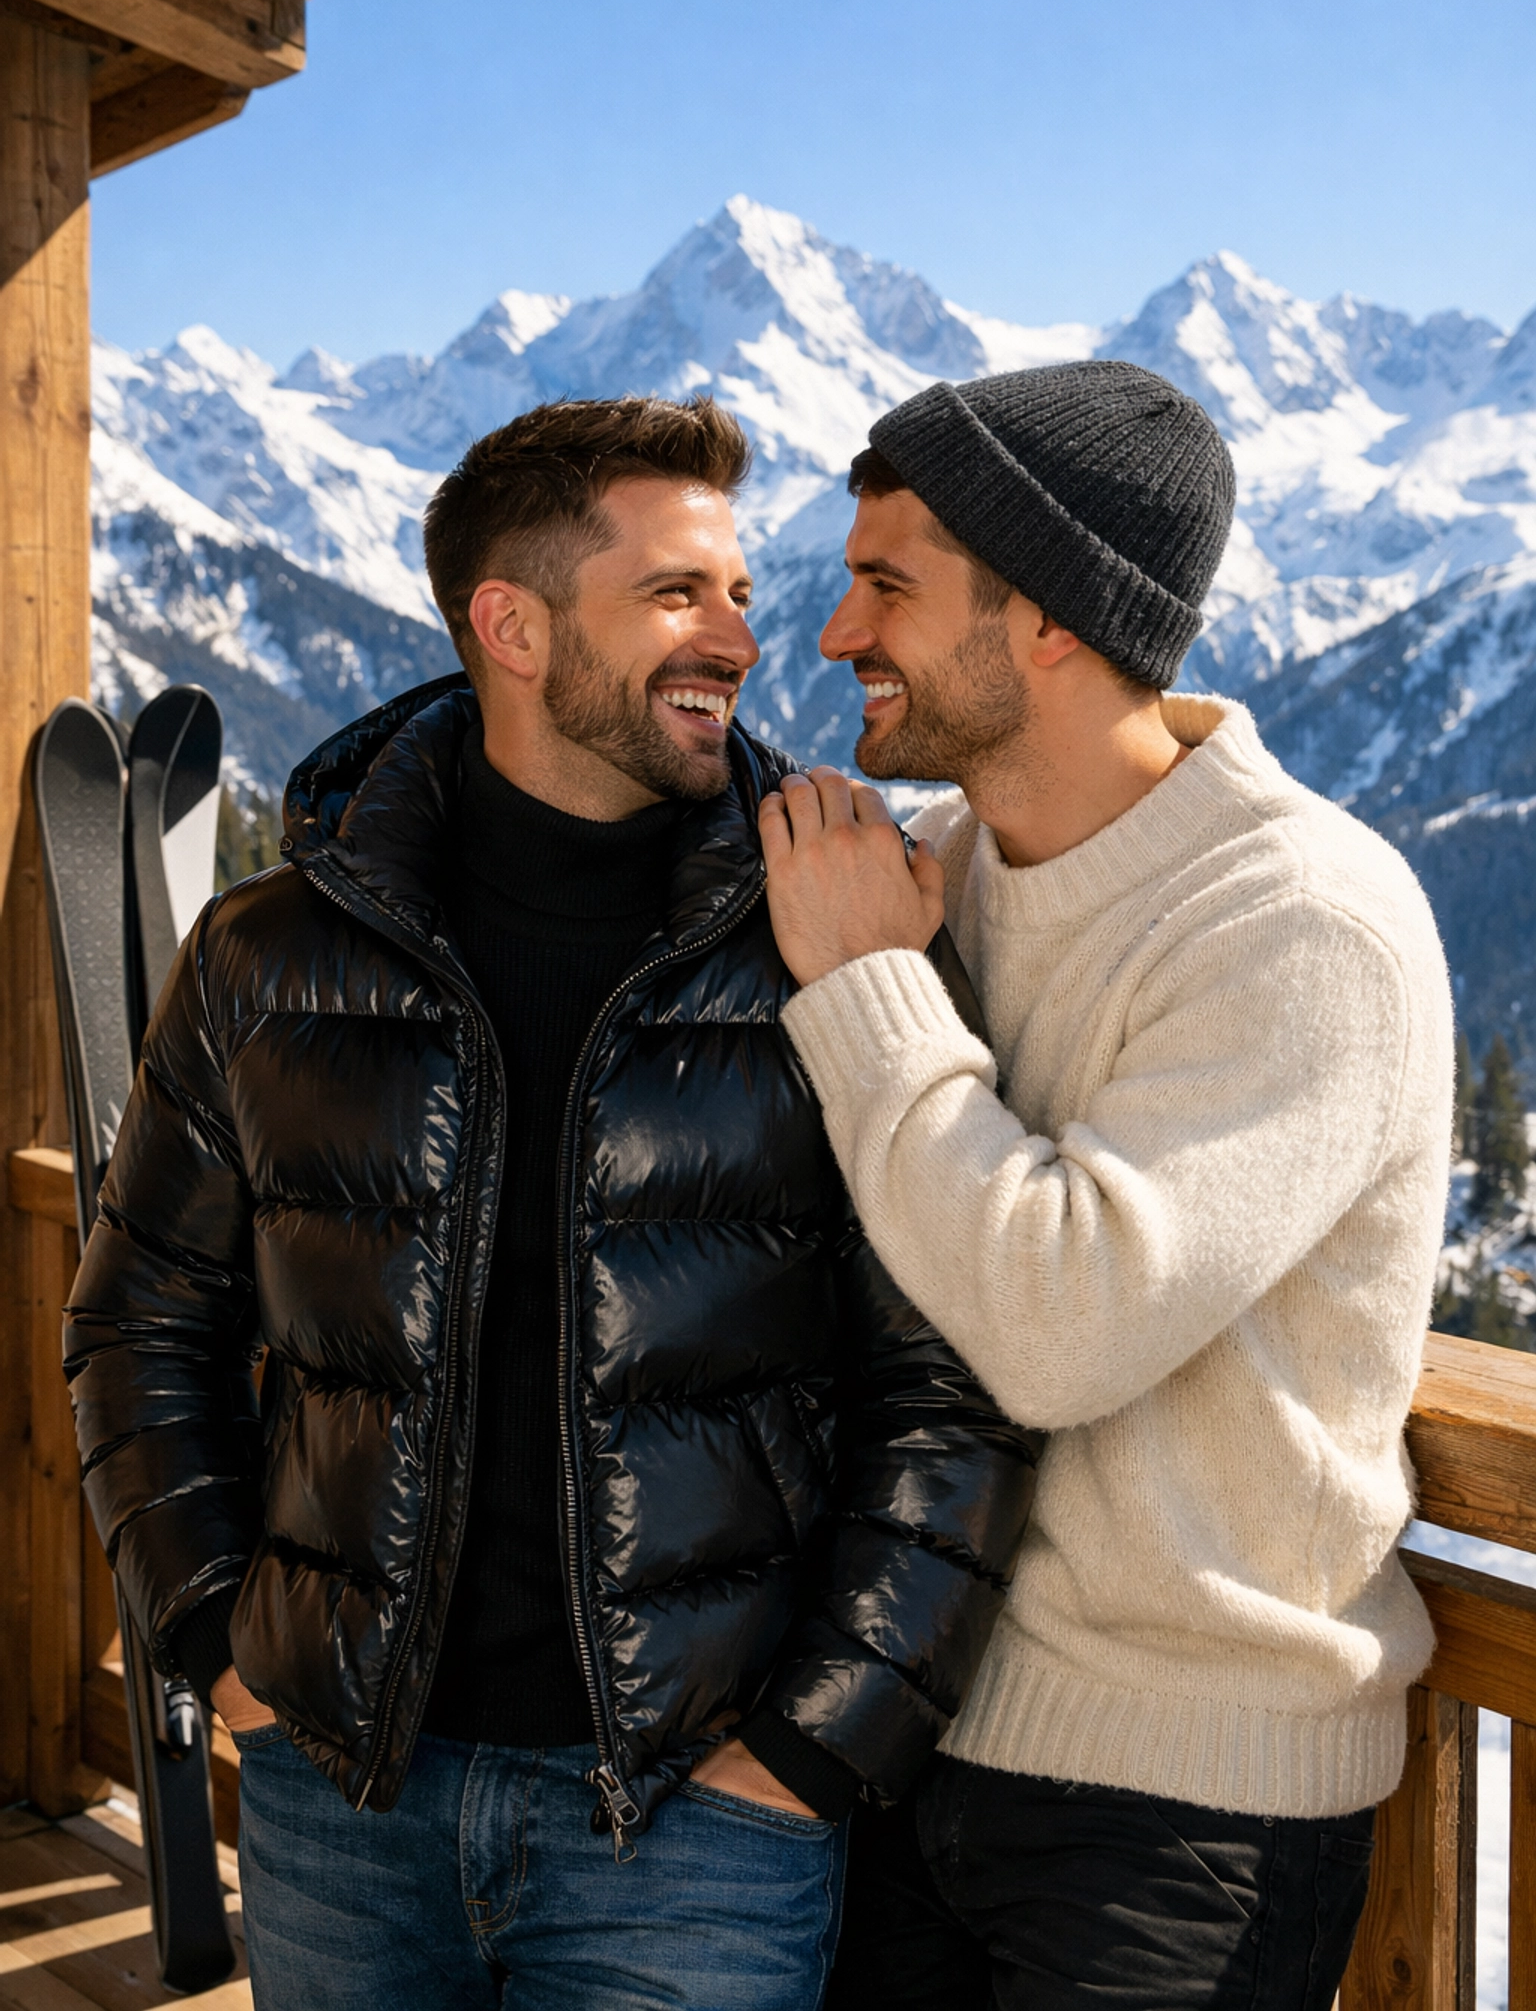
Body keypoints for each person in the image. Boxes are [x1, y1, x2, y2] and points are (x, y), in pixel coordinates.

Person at [64, 394, 1038, 2011]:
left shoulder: (835, 937)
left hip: (694, 1825)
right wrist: (222, 1653)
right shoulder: (268, 952)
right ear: (511, 628)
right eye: (676, 593)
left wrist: (811, 1748)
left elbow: (955, 1381)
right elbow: (138, 1322)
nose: (740, 638)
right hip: (340, 1798)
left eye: (737, 590)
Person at [758, 361, 1455, 2011]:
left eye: (887, 587)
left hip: (1183, 1811)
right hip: (918, 1726)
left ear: (1053, 619)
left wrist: (868, 995)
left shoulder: (1300, 921)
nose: (839, 633)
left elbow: (1060, 1327)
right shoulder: (943, 873)